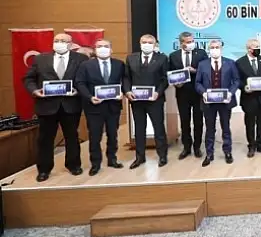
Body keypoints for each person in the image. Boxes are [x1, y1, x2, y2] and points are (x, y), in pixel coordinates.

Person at [23, 33, 86, 182]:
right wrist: (34, 91)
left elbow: (85, 79)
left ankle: (73, 165)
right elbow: (29, 78)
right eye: (56, 40)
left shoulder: (81, 59)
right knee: (45, 139)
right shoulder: (40, 59)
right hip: (46, 105)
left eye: (63, 41)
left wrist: (78, 90)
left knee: (72, 137)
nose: (59, 43)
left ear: (70, 44)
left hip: (71, 105)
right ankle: (44, 170)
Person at [74, 39, 125, 175]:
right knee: (95, 136)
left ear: (111, 49)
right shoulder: (85, 65)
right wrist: (90, 97)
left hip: (113, 106)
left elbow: (125, 80)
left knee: (113, 135)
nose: (103, 48)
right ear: (95, 50)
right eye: (99, 46)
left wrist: (123, 93)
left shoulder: (119, 64)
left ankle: (112, 159)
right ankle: (95, 164)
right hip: (94, 107)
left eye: (106, 46)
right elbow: (80, 83)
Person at [123, 34, 169, 168]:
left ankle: (162, 156)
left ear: (154, 45)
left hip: (155, 100)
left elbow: (165, 79)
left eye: (150, 42)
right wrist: (127, 91)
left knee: (158, 128)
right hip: (136, 100)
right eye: (144, 42)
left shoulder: (162, 58)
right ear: (140, 43)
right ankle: (140, 157)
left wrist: (158, 92)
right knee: (139, 129)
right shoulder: (131, 58)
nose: (147, 44)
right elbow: (126, 77)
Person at [195, 40, 240, 166]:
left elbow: (236, 80)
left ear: (221, 49)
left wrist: (230, 93)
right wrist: (203, 93)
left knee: (226, 127)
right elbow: (197, 83)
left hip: (225, 101)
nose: (215, 49)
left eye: (217, 47)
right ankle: (209, 154)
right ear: (209, 49)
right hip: (208, 102)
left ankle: (228, 152)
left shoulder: (230, 63)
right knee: (210, 128)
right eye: (212, 47)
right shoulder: (202, 64)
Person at [168, 31, 208, 159]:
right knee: (184, 121)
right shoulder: (173, 56)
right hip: (182, 93)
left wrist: (194, 70)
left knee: (198, 121)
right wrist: (176, 84)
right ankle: (186, 147)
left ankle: (197, 147)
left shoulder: (201, 53)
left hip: (197, 93)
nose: (191, 43)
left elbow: (206, 71)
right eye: (188, 42)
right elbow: (170, 74)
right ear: (181, 43)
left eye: (192, 41)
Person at [236, 39, 261, 157]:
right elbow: (237, 80)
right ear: (249, 49)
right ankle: (251, 145)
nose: (258, 49)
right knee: (250, 123)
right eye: (255, 47)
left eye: (258, 47)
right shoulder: (240, 62)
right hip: (248, 98)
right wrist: (244, 87)